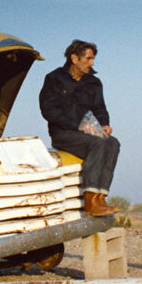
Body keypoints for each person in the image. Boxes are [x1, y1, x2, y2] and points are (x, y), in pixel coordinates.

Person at [39, 40, 120, 217]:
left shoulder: (94, 82)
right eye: (89, 58)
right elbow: (48, 110)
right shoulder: (53, 79)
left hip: (91, 131)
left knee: (113, 143)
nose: (92, 63)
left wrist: (104, 124)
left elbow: (100, 108)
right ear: (74, 58)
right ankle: (90, 202)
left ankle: (101, 198)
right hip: (63, 133)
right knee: (98, 145)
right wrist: (76, 125)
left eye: (93, 59)